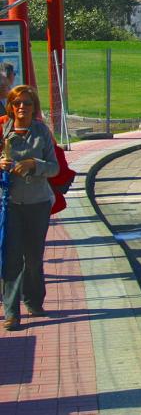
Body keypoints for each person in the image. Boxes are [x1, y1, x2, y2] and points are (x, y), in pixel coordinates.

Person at [1, 85, 59, 331]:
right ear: (11, 107)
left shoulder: (41, 132)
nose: (22, 107)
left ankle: (34, 300)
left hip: (38, 203)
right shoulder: (2, 130)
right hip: (9, 203)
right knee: (12, 256)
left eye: (27, 103)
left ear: (34, 107)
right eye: (17, 103)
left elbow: (54, 167)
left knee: (33, 257)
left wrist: (34, 164)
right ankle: (11, 312)